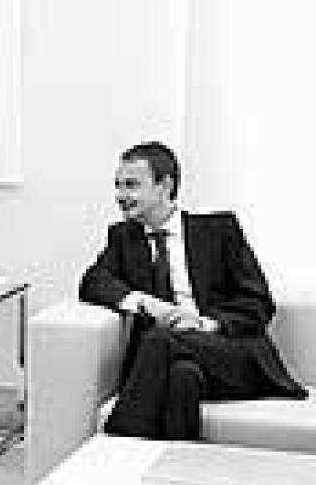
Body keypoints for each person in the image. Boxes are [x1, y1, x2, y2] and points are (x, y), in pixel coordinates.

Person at [79, 141, 306, 440]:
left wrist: (205, 324)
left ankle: (117, 446)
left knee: (160, 338)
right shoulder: (123, 237)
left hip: (229, 353)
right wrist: (146, 303)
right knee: (182, 377)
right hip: (174, 360)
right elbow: (93, 281)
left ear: (165, 185)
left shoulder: (219, 230)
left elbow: (259, 303)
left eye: (131, 185)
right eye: (118, 186)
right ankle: (174, 461)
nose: (121, 196)